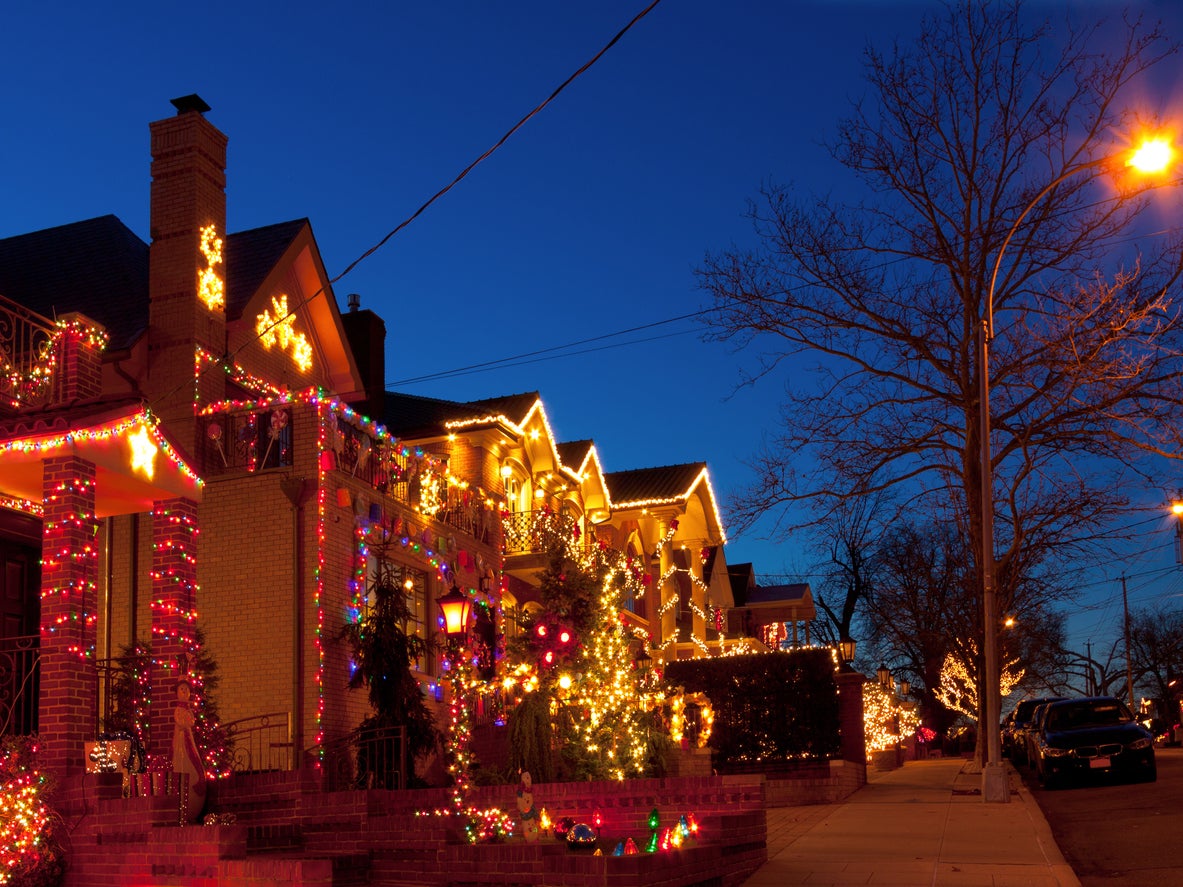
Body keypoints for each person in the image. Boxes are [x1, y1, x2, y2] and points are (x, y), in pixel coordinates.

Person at [172, 680, 208, 823]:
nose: (185, 692)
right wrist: (186, 721)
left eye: (187, 689)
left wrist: (188, 721)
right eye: (182, 689)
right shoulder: (179, 710)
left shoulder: (189, 710)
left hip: (188, 738)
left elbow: (191, 722)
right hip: (180, 739)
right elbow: (182, 722)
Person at [516, 770, 539, 842]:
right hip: (525, 815)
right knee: (527, 827)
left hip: (531, 814)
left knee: (534, 826)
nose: (528, 781)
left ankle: (535, 837)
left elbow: (531, 802)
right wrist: (523, 809)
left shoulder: (530, 792)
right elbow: (519, 802)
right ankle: (528, 838)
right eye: (526, 779)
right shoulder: (520, 793)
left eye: (529, 778)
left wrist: (532, 809)